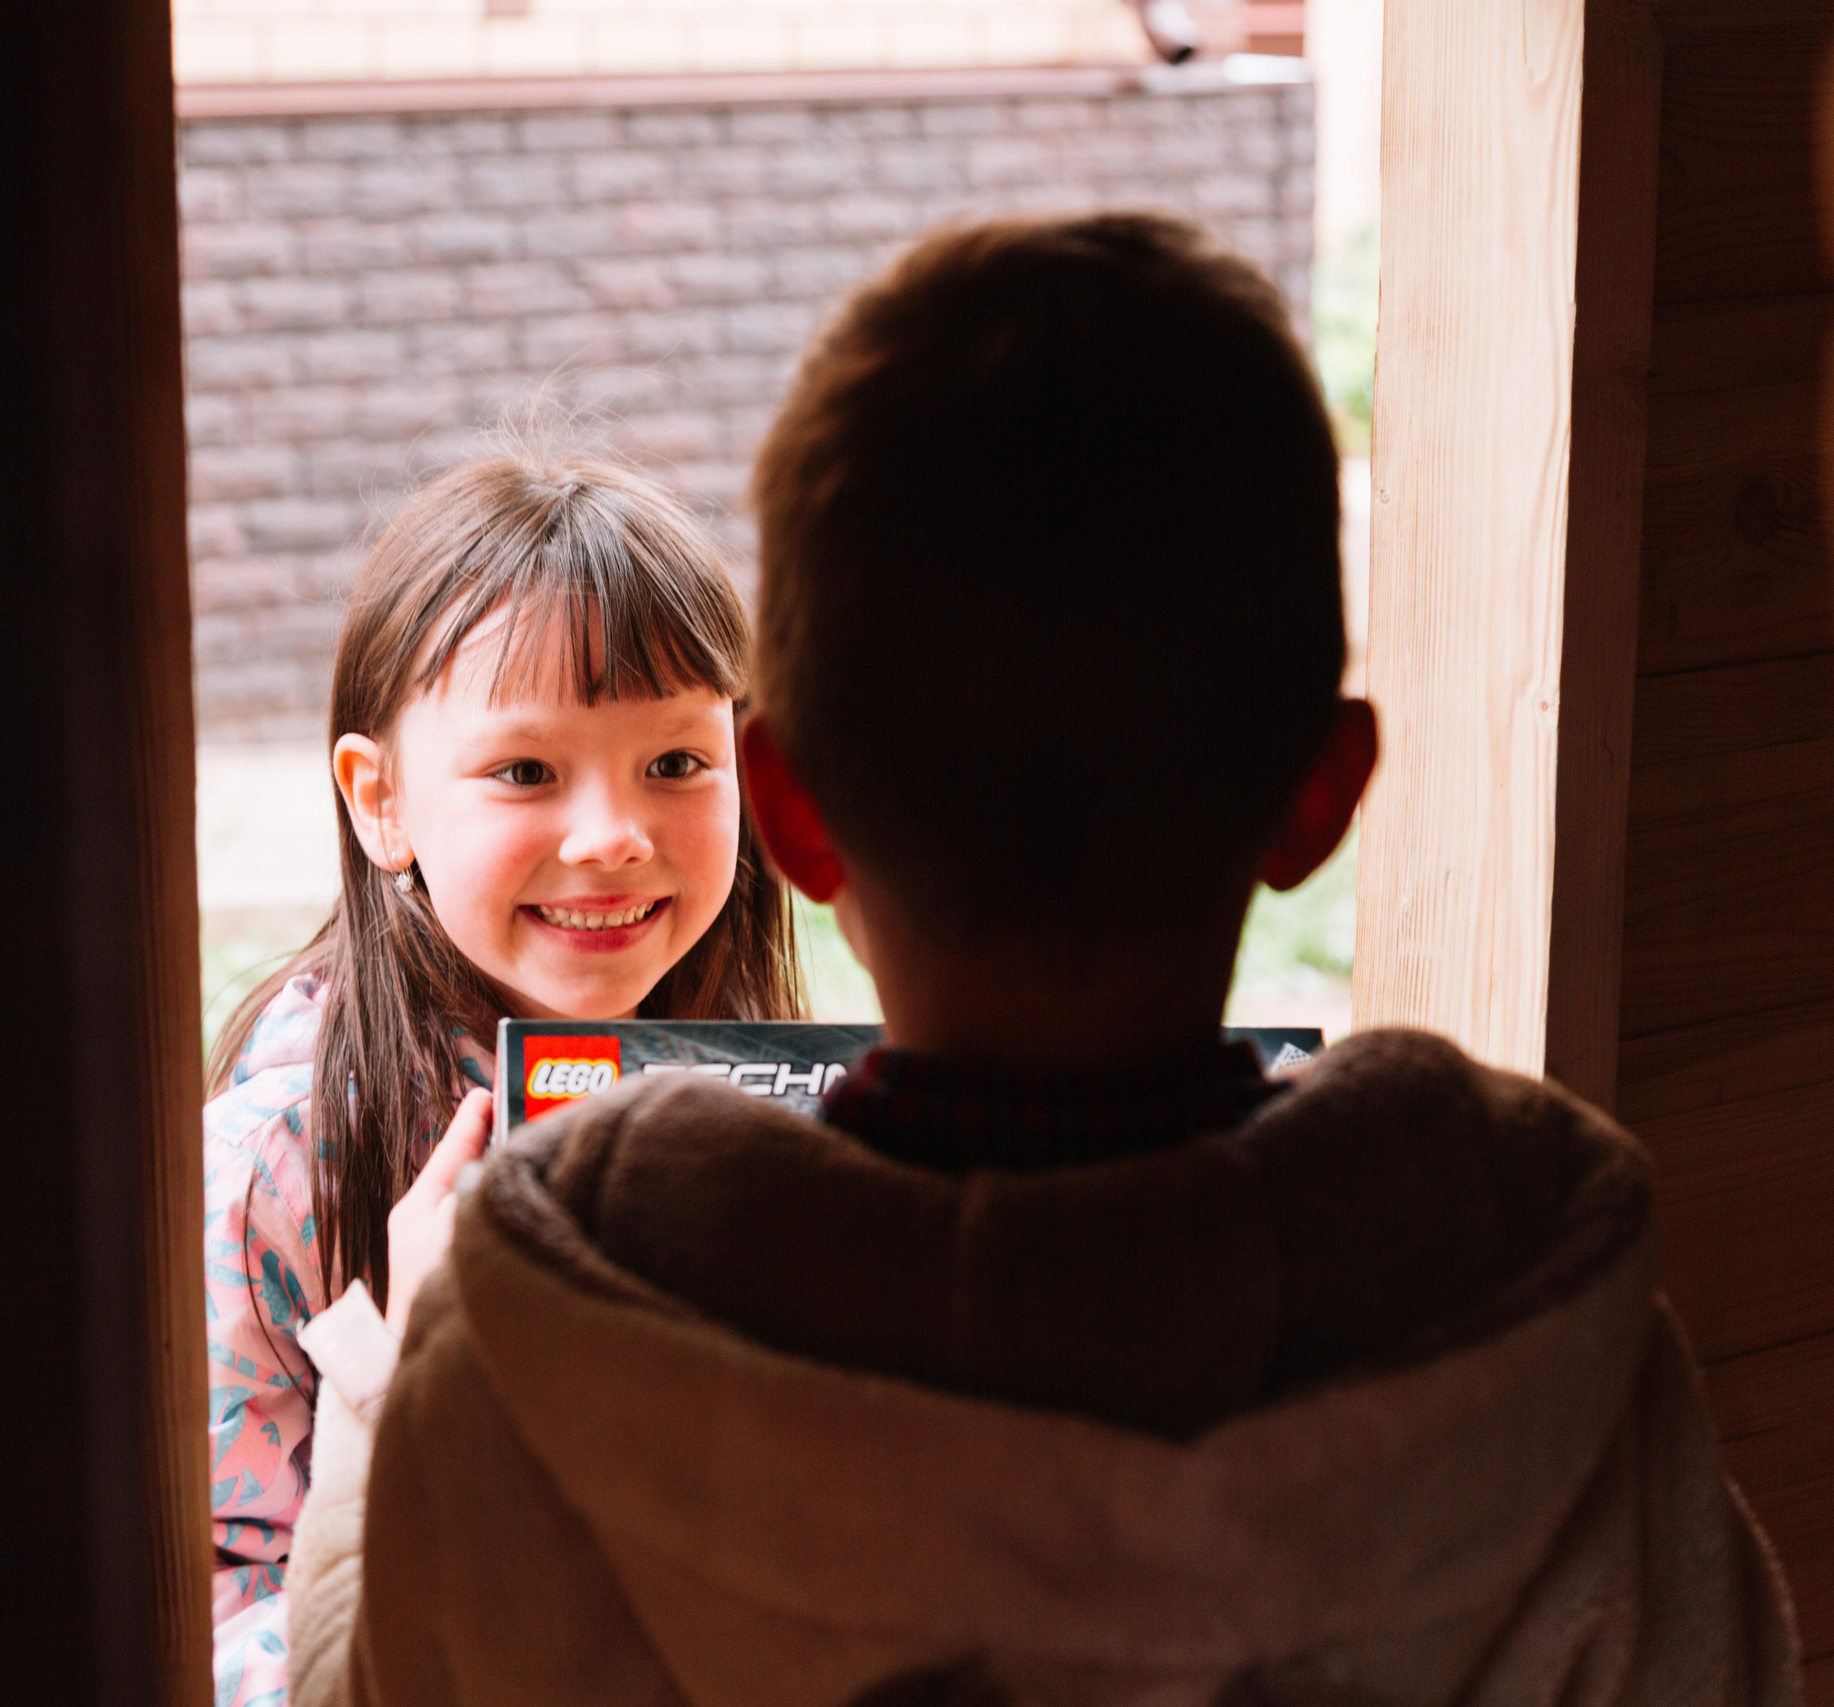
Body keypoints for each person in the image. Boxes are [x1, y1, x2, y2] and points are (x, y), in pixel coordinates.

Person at [279, 214, 1802, 1707]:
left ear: (788, 809)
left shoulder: (551, 1353)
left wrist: (387, 1387)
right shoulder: (1548, 1351)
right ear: (1321, 796)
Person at [202, 450, 804, 1707]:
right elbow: (209, 1604)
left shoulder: (765, 1092)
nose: (612, 836)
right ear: (382, 803)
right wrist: (414, 1367)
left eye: (678, 763)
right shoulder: (277, 1162)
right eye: (526, 772)